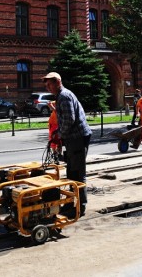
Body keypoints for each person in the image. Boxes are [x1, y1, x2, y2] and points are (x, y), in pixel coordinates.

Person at [43, 72, 92, 217]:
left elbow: (69, 120)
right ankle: (70, 203)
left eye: (49, 84)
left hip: (77, 137)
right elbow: (64, 119)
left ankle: (80, 207)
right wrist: (59, 133)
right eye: (46, 85)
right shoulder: (62, 96)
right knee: (72, 172)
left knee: (77, 172)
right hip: (73, 137)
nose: (48, 88)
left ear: (58, 82)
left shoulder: (64, 96)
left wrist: (59, 134)